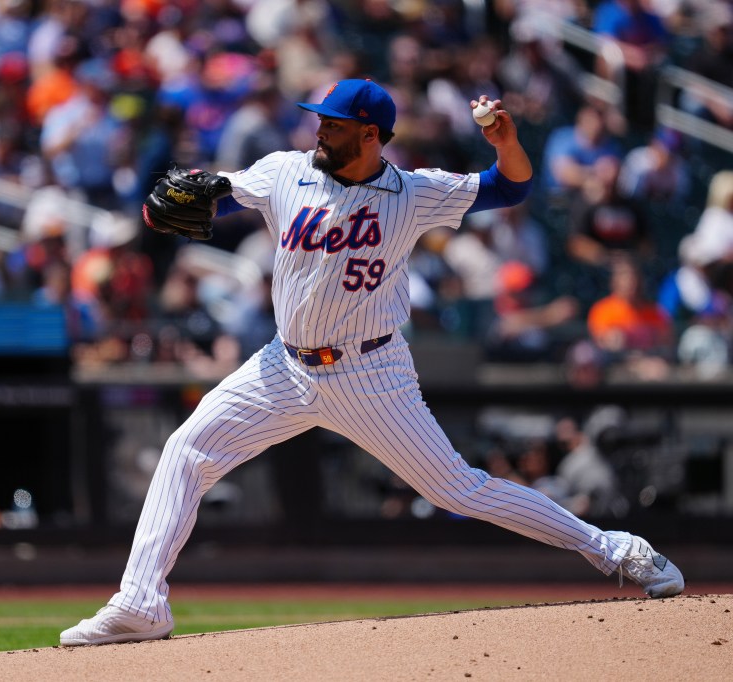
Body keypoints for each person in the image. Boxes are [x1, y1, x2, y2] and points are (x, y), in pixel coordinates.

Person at [60, 79, 684, 647]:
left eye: (332, 123)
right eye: (318, 119)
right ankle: (141, 603)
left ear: (369, 134)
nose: (318, 130)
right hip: (283, 365)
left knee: (459, 489)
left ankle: (618, 550)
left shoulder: (411, 194)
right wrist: (206, 190)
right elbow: (222, 195)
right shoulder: (286, 171)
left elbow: (511, 186)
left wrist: (507, 141)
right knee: (185, 451)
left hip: (371, 373)